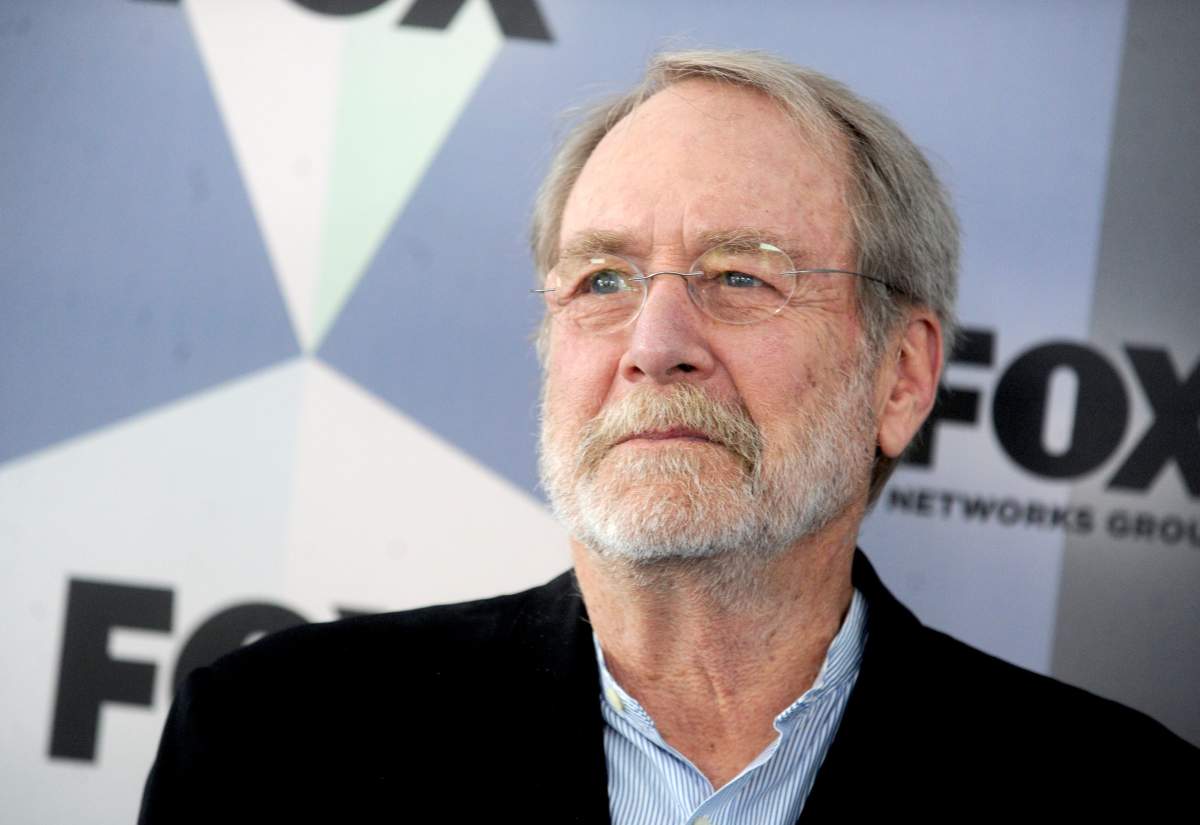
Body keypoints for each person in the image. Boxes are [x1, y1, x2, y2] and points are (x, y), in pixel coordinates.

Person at [140, 49, 1196, 823]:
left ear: (902, 375)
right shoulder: (273, 744)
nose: (656, 344)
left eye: (741, 276)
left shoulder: (1118, 798)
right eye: (603, 280)